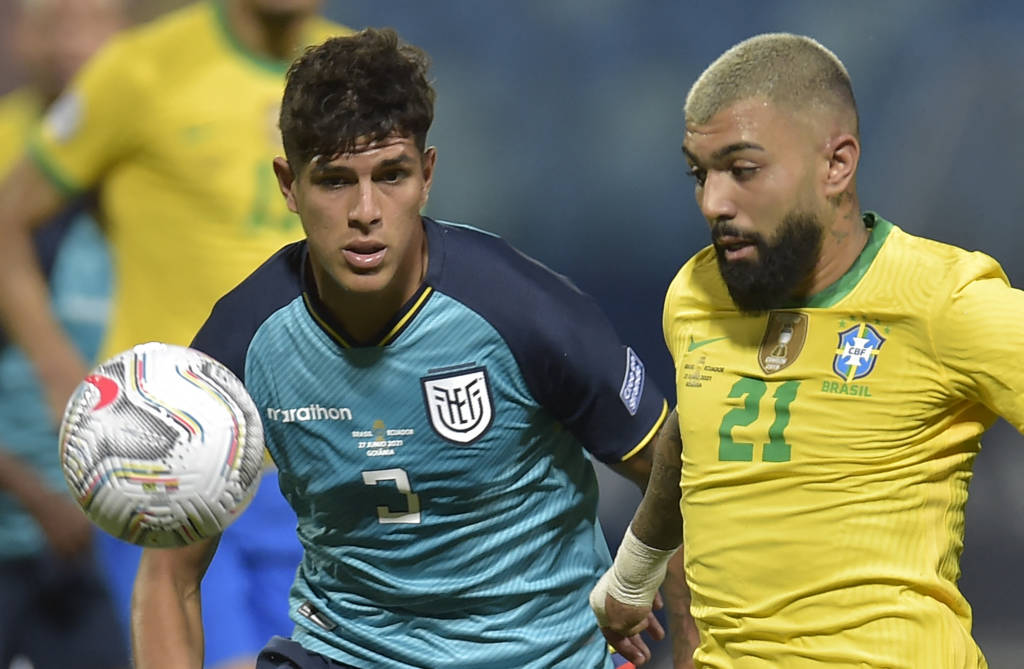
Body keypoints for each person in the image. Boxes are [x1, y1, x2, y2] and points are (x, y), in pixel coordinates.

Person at [130, 27, 690, 669]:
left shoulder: (527, 314)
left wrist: (651, 598)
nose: (365, 211)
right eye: (335, 181)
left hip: (539, 656)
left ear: (426, 176)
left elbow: (682, 479)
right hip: (344, 652)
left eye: (391, 175)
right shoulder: (241, 342)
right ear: (288, 184)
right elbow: (168, 574)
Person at [590, 31, 1024, 668]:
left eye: (743, 170)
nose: (714, 203)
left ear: (836, 166)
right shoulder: (695, 294)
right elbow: (697, 433)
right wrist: (633, 574)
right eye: (699, 174)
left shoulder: (943, 302)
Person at [0, 2, 349, 668]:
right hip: (169, 456)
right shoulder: (140, 71)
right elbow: (8, 219)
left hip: (315, 456)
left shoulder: (354, 69)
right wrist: (57, 369)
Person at [0, 1, 127, 667]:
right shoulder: (13, 174)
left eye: (96, 20)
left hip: (122, 522)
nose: (76, 42)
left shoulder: (148, 181)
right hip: (24, 525)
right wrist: (37, 494)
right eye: (58, 22)